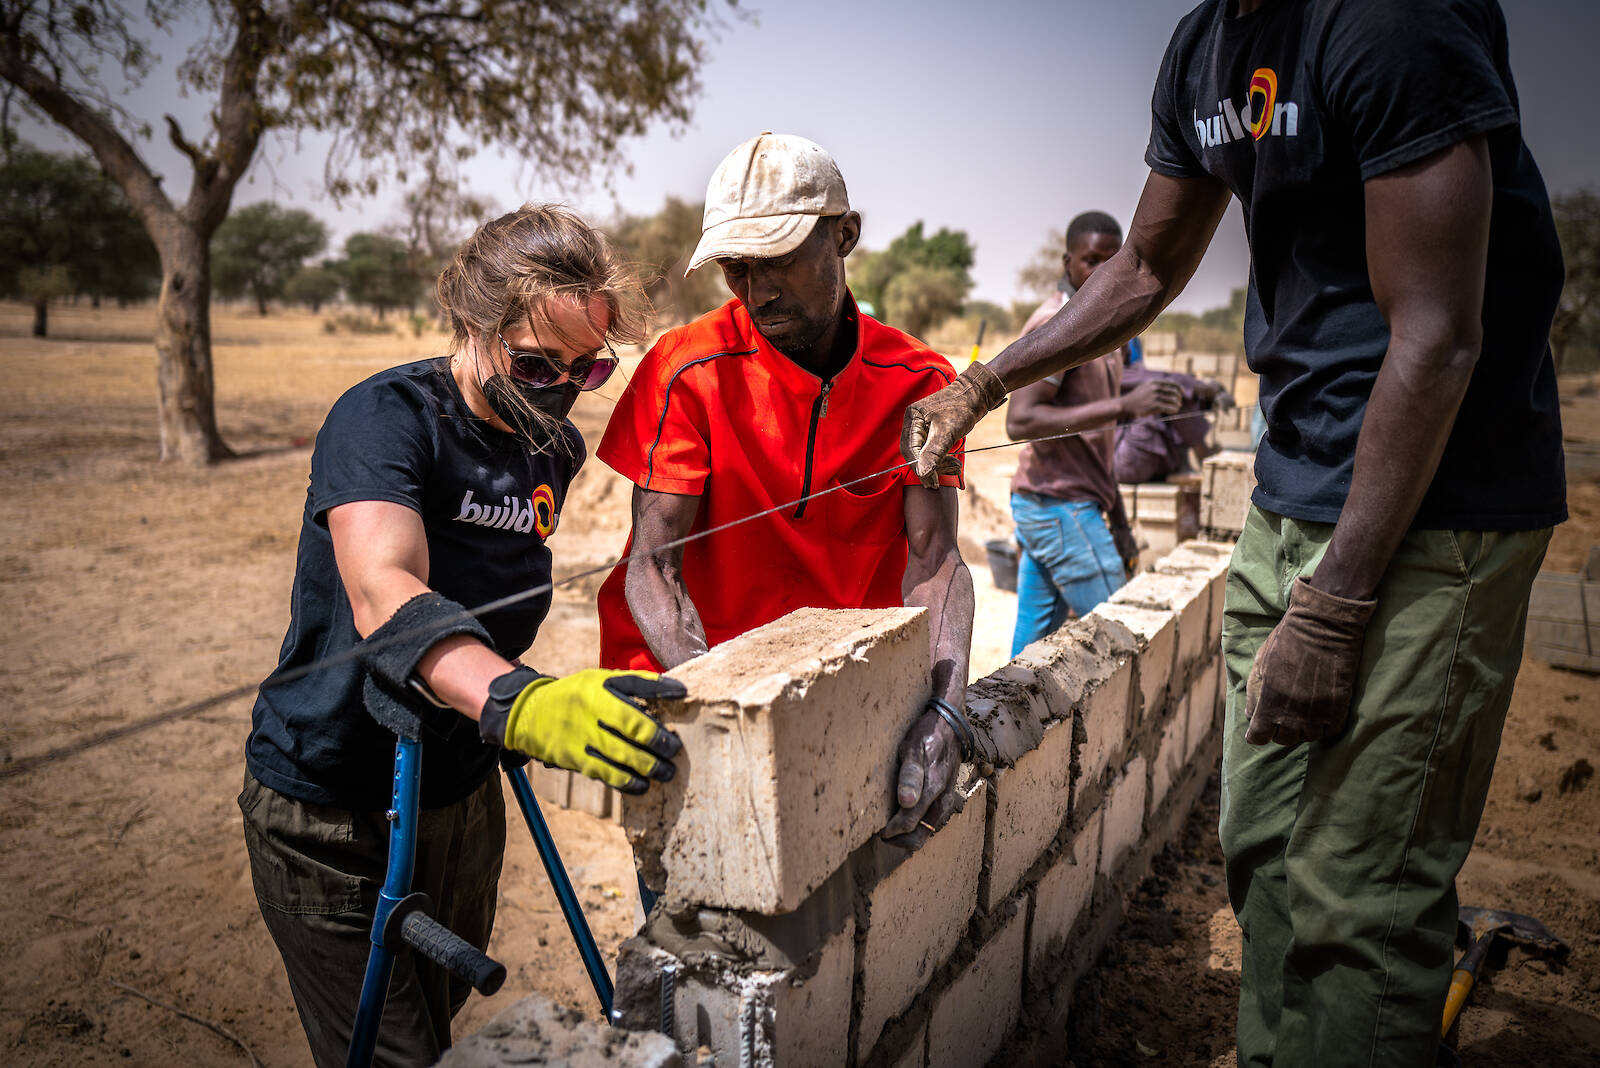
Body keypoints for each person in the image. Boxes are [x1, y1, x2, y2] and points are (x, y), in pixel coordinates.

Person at [901, 2, 1566, 1065]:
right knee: (1260, 846)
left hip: (1427, 510)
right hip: (1292, 494)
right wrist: (982, 381)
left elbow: (1437, 339)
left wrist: (1340, 602)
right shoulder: (1206, 46)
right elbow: (1143, 271)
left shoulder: (1389, 25)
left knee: (1359, 901)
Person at [241, 205, 686, 1068]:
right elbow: (383, 590)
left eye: (584, 371)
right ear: (475, 326)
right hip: (329, 804)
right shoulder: (383, 419)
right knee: (394, 1055)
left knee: (437, 1040)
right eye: (534, 364)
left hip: (461, 790)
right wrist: (518, 698)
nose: (558, 391)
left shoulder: (551, 450)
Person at [597, 132, 977, 848]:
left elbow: (933, 560)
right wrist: (725, 711)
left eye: (777, 260)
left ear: (845, 235)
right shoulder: (688, 369)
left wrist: (946, 709)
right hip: (689, 687)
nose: (757, 289)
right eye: (736, 268)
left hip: (841, 696)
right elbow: (653, 566)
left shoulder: (921, 385)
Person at [1005, 210, 1183, 657]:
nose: (1102, 272)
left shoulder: (1108, 332)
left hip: (1066, 501)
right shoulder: (1056, 325)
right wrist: (1125, 406)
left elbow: (1095, 446)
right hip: (1058, 505)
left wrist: (1119, 521)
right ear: (1068, 262)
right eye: (1090, 261)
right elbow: (1020, 421)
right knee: (1124, 642)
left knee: (1026, 664)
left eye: (1112, 260)